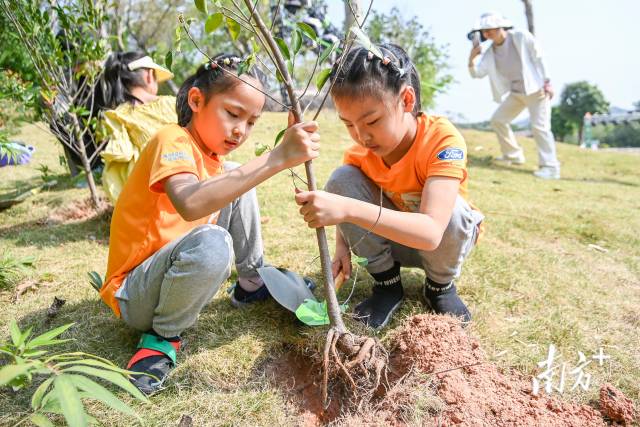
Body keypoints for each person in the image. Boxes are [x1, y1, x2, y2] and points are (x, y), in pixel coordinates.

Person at [99, 54, 320, 394]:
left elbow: (230, 186)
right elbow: (189, 204)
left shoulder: (213, 158)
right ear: (197, 100)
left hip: (172, 274)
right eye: (233, 113)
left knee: (235, 175)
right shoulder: (172, 139)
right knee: (214, 241)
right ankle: (161, 337)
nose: (240, 130)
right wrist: (276, 158)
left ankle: (250, 282)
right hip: (136, 294)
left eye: (251, 122)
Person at [295, 44, 484, 329]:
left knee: (453, 212)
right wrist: (342, 247)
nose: (362, 136)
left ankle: (439, 287)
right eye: (349, 125)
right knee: (340, 180)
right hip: (396, 242)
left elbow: (433, 232)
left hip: (444, 243)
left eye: (372, 120)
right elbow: (345, 199)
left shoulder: (442, 140)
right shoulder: (362, 155)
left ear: (406, 100)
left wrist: (348, 209)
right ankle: (387, 285)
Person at [467, 12, 561, 179]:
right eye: (484, 32)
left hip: (536, 91)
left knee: (540, 128)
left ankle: (551, 167)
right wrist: (472, 58)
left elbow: (539, 57)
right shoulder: (490, 53)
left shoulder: (520, 37)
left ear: (500, 27)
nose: (486, 34)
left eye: (489, 30)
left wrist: (548, 82)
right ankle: (513, 155)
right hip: (516, 94)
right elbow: (477, 74)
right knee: (498, 120)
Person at [99, 51, 178, 203]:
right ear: (149, 75)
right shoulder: (171, 104)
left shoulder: (117, 116)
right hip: (188, 187)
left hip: (143, 201)